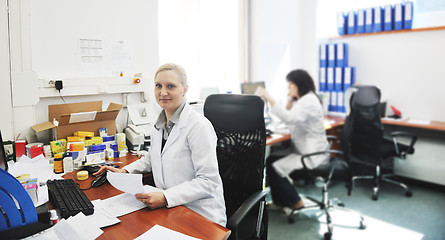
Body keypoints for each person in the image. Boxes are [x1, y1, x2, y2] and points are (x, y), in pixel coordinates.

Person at [94, 63, 227, 226]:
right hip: (172, 209)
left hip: (200, 214)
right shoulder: (161, 123)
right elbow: (153, 157)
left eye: (170, 86)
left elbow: (208, 181)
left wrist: (165, 197)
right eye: (158, 86)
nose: (163, 92)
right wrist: (125, 170)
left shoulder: (199, 126)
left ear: (184, 89)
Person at [257, 69, 328, 212]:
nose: (288, 88)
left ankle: (296, 202)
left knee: (274, 167)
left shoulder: (308, 101)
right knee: (270, 160)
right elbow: (293, 120)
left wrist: (269, 98)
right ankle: (281, 202)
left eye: (290, 85)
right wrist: (290, 101)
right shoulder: (306, 99)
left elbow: (289, 118)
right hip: (308, 150)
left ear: (299, 85)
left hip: (311, 155)